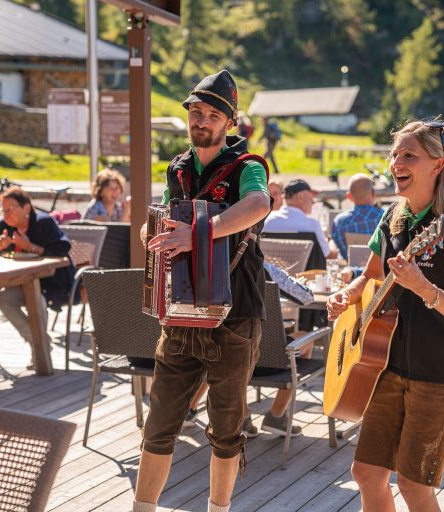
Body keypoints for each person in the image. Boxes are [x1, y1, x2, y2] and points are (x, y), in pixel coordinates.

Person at [326, 120, 444, 512]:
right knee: (366, 474)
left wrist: (423, 287)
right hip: (386, 366)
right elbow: (369, 276)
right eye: (395, 154)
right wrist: (347, 296)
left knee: (414, 486)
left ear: (438, 163)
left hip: (440, 374)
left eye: (409, 155)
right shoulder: (393, 218)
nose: (397, 161)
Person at [135, 69, 270, 512]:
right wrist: (151, 233)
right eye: (197, 112)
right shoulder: (177, 168)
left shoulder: (246, 168)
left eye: (213, 115)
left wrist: (197, 233)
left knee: (226, 430)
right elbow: (160, 217)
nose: (202, 121)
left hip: (235, 318)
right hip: (179, 315)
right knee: (158, 426)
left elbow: (257, 205)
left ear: (229, 123)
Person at [0, 187, 75, 369]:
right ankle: (40, 344)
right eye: (2, 210)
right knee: (3, 299)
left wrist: (30, 247)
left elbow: (62, 249)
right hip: (19, 282)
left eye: (9, 209)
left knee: (37, 301)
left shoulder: (44, 223)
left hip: (50, 283)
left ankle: (39, 351)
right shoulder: (5, 226)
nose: (5, 214)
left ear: (26, 208)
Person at [263, 179, 338, 259]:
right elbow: (329, 256)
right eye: (311, 198)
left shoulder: (267, 221)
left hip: (272, 270)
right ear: (300, 197)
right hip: (305, 271)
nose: (312, 203)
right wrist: (332, 241)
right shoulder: (312, 225)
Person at [331, 173, 384, 257]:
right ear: (373, 193)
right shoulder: (386, 217)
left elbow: (339, 250)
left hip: (350, 268)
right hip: (381, 269)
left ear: (349, 196)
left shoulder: (339, 222)